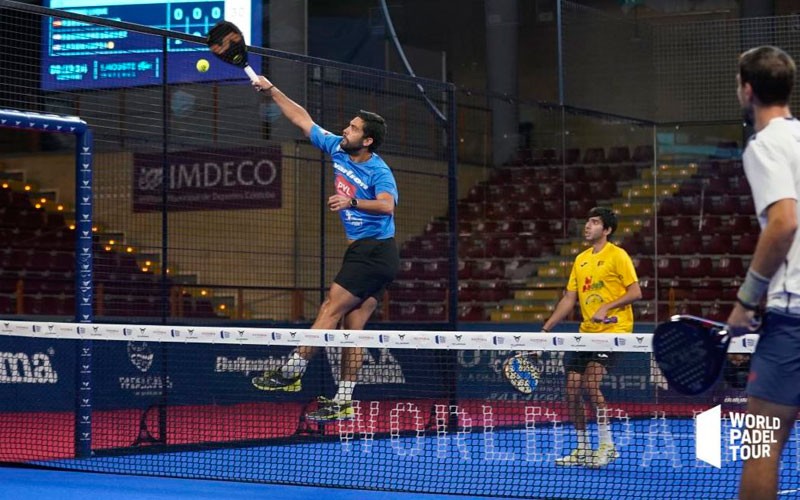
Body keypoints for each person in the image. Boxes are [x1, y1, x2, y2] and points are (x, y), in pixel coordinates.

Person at [248, 75, 400, 424]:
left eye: (353, 128)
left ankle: (292, 370)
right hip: (374, 255)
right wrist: (272, 90)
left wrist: (353, 202)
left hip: (374, 252)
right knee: (352, 327)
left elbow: (387, 206)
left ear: (368, 140)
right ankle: (344, 399)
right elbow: (303, 119)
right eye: (348, 125)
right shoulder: (336, 148)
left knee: (331, 306)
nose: (345, 130)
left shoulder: (379, 171)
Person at [726, 46, 800, 500]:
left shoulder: (764, 145)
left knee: (761, 445)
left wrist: (746, 300)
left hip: (792, 319)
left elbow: (785, 221)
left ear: (747, 90)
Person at [540, 207, 641, 468]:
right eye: (587, 221)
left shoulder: (618, 256)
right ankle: (583, 448)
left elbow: (636, 292)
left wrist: (607, 307)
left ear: (606, 230)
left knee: (590, 384)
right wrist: (546, 329)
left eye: (594, 222)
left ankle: (607, 445)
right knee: (572, 389)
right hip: (586, 334)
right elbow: (569, 299)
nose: (588, 226)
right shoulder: (581, 259)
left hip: (614, 334)